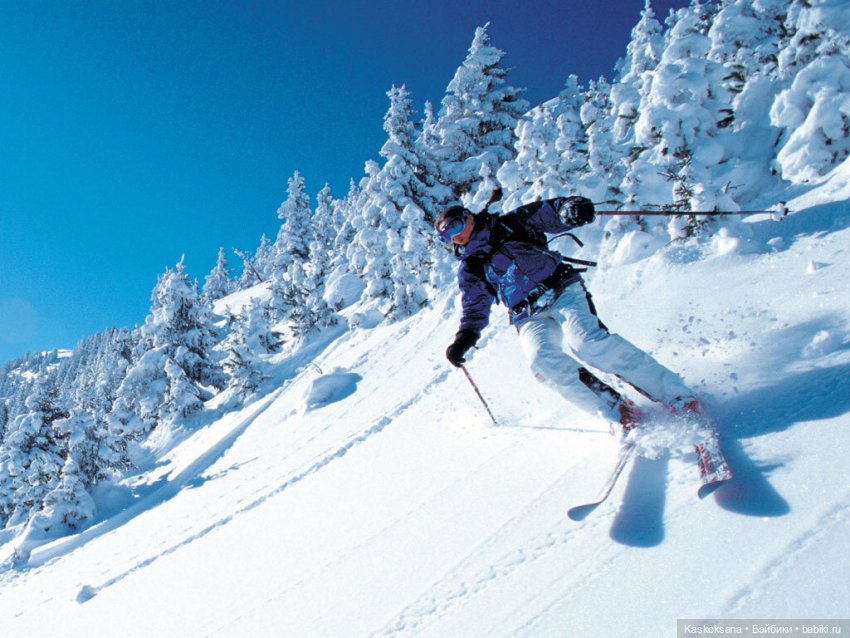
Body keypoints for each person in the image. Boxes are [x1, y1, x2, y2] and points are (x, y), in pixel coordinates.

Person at [435, 194, 701, 430]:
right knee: (542, 362)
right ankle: (616, 409)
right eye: (446, 237)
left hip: (561, 290)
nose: (455, 237)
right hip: (526, 313)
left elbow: (548, 212)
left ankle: (675, 395)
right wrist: (465, 336)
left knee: (587, 342)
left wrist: (571, 210)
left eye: (455, 227)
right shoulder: (471, 266)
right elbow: (475, 305)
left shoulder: (510, 224)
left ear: (469, 218)